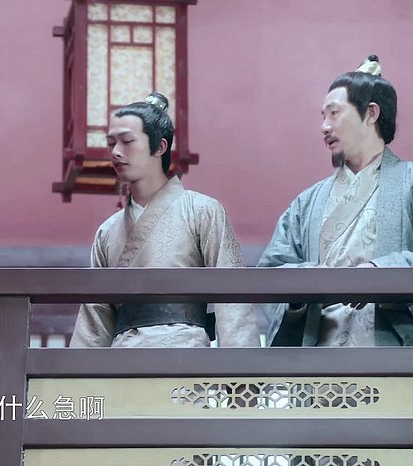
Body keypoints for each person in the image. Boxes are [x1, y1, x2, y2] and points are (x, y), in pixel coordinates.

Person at [70, 93, 259, 348]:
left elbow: (233, 300)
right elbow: (94, 323)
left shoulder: (203, 210)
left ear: (160, 147)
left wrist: (240, 370)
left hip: (185, 353)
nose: (116, 152)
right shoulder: (107, 231)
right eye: (111, 143)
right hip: (122, 357)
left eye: (127, 141)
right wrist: (78, 372)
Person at [258, 55, 413, 346]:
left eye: (334, 114)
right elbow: (272, 270)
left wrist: (382, 271)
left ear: (371, 113)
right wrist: (307, 284)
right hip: (321, 354)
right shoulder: (308, 202)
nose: (324, 127)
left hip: (395, 355)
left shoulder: (409, 183)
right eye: (323, 117)